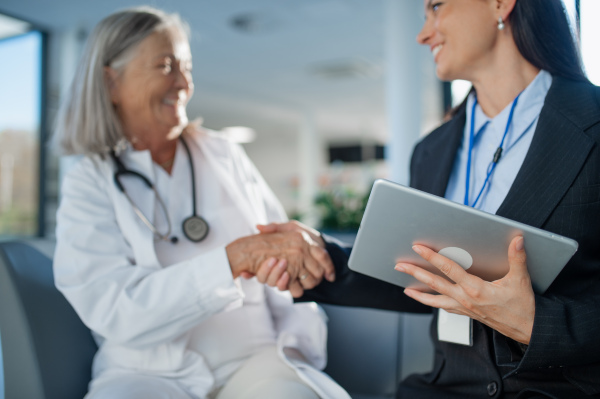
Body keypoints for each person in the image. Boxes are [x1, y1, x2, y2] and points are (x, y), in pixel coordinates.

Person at [256, 0, 600, 397]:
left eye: (436, 6)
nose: (423, 34)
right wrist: (317, 259)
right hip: (446, 386)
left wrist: (539, 324)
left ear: (501, 5)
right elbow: (424, 275)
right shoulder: (433, 149)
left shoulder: (590, 121)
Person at [52, 6, 350, 399]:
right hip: (144, 374)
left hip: (254, 361)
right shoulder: (89, 181)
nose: (183, 83)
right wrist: (232, 259)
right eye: (165, 66)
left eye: (187, 67)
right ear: (111, 82)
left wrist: (294, 342)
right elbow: (114, 308)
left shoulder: (223, 154)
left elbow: (284, 262)